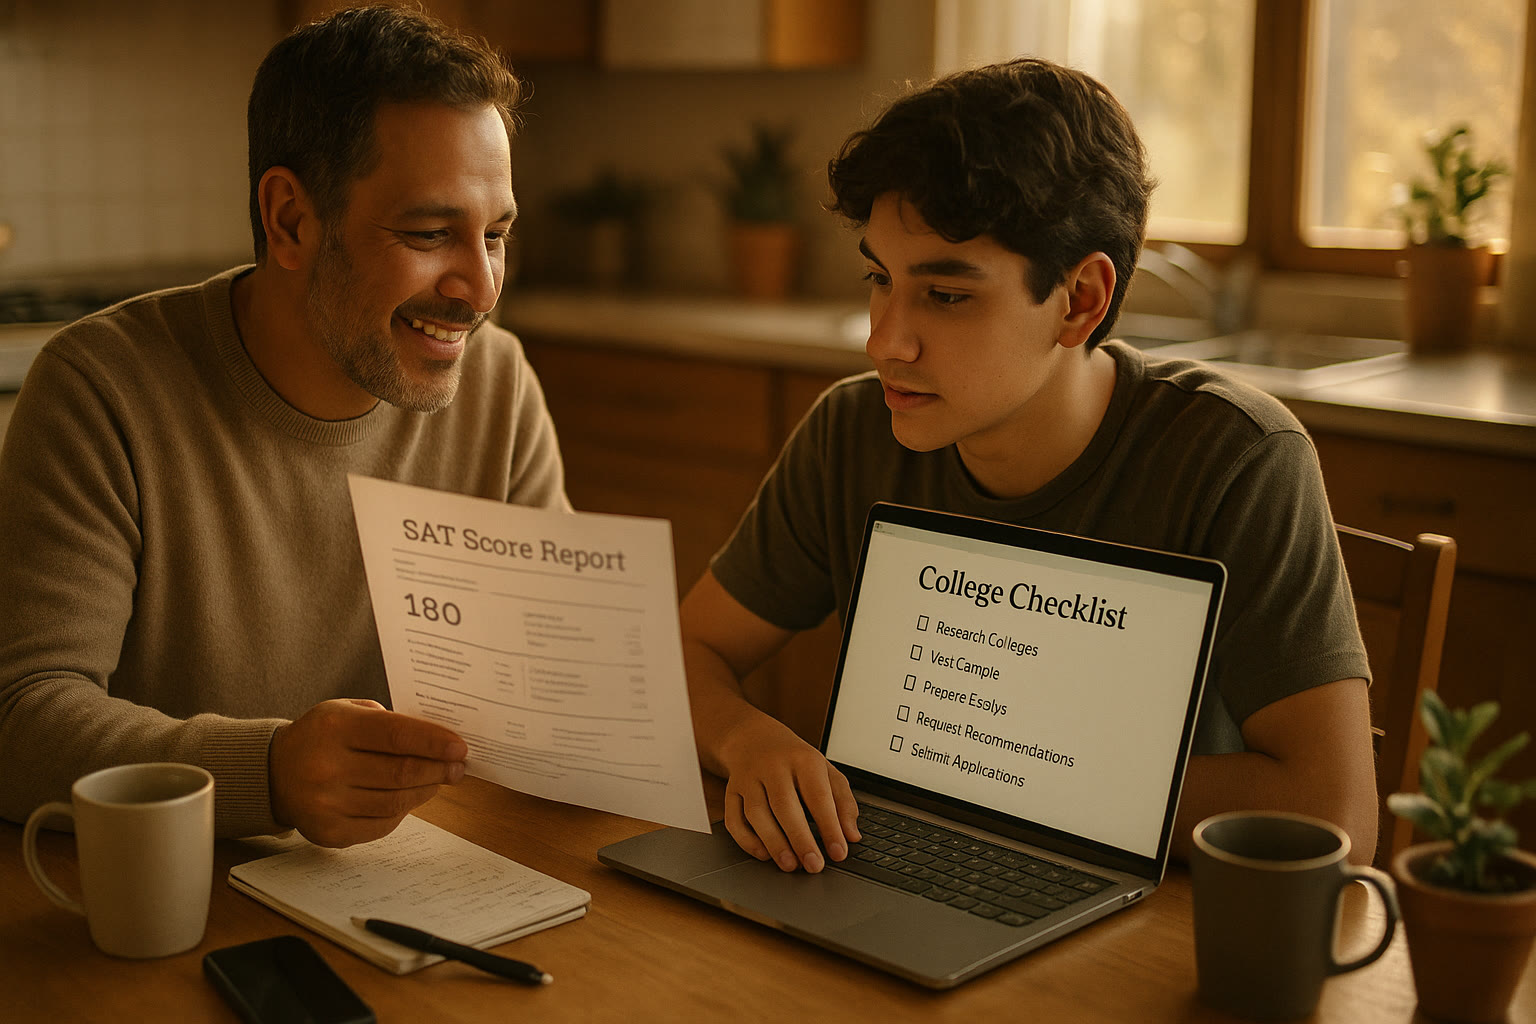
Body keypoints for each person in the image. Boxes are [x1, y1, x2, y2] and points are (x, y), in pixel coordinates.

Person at [681, 58, 1379, 873]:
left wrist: (1001, 777)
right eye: (879, 278)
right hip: (908, 879)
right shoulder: (850, 433)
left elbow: (1334, 813)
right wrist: (747, 736)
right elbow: (686, 654)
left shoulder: (1235, 459)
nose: (885, 342)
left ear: (1080, 301)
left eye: (945, 296)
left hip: (1145, 927)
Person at [0, 6, 567, 848]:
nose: (480, 289)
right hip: (167, 904)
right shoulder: (103, 390)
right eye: (429, 234)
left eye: (496, 235)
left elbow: (553, 677)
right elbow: (21, 718)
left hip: (416, 885)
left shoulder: (498, 386)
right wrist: (267, 773)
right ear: (292, 221)